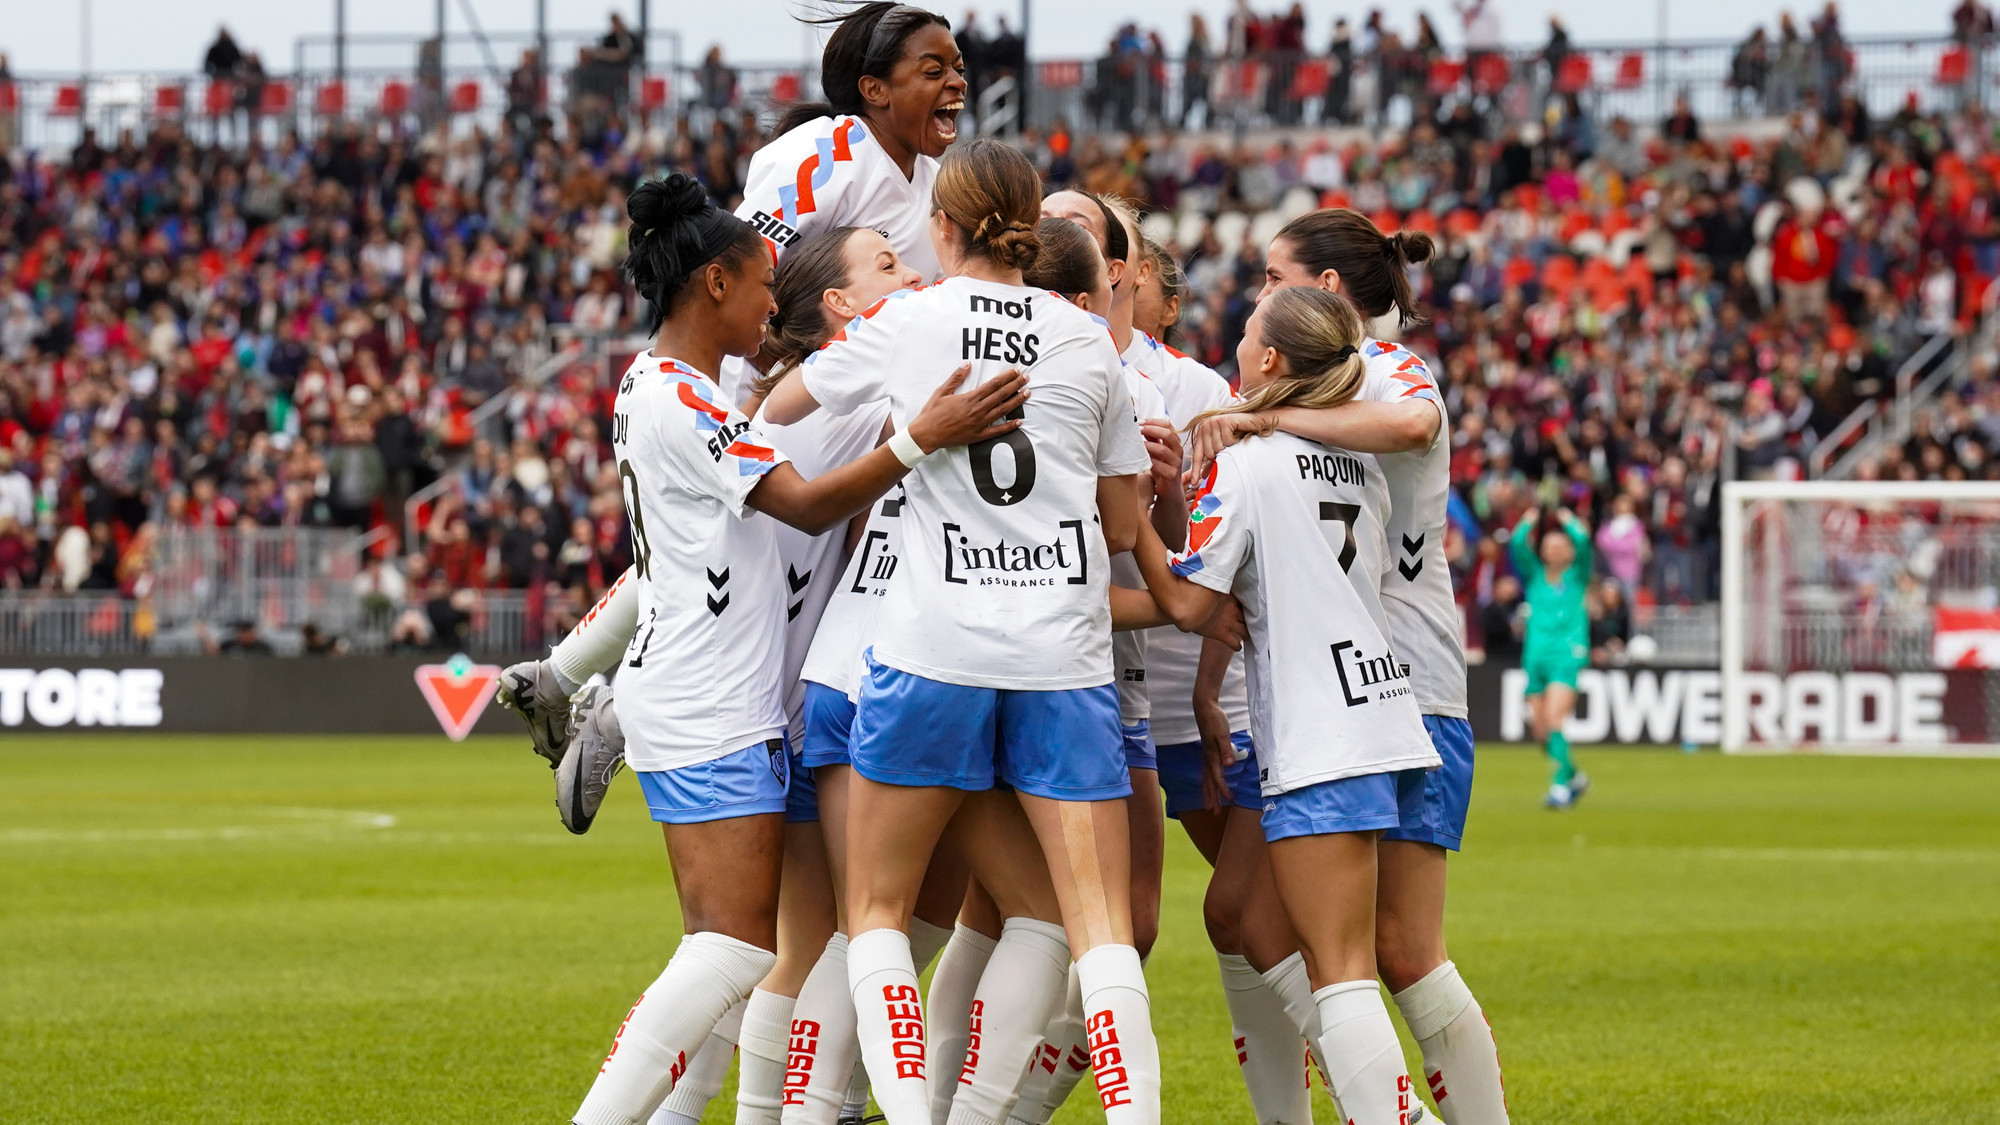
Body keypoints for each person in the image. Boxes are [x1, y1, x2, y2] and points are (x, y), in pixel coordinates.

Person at [564, 172, 1021, 1125]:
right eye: (764, 280)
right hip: (708, 695)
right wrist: (923, 438)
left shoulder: (665, 386)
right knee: (734, 951)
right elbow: (804, 503)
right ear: (716, 283)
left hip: (715, 689)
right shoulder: (691, 403)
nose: (774, 302)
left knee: (727, 952)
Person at [760, 137, 1160, 1125]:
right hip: (1062, 657)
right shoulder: (1082, 340)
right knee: (1094, 929)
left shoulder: (906, 321)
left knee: (877, 918)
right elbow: (1119, 527)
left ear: (940, 225)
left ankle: (899, 1113)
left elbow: (778, 406)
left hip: (930, 648)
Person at [498, 0, 969, 767]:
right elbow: (739, 267)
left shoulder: (931, 180)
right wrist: (739, 400)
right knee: (759, 556)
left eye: (957, 67)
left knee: (795, 570)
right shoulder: (830, 153)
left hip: (843, 394)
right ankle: (608, 699)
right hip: (787, 386)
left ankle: (576, 685)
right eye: (934, 68)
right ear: (874, 88)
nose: (956, 81)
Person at [1193, 208, 1510, 1125]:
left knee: (1397, 951)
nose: (1258, 296)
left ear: (1324, 291)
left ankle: (1399, 1108)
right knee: (1247, 915)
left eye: (1270, 276)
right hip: (1339, 687)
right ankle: (1379, 1103)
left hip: (1399, 685)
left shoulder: (1382, 363)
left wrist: (1266, 416)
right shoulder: (1327, 384)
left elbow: (1415, 422)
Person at [1131, 286, 1441, 1125]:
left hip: (1322, 730)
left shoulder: (1250, 461)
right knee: (1269, 930)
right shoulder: (1354, 459)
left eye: (1245, 334)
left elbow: (1191, 603)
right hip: (1377, 711)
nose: (1234, 342)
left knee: (1338, 969)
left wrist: (1131, 527)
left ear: (1270, 361)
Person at [1512, 506, 1593, 809]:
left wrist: (1566, 519)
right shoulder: (1535, 576)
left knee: (1554, 718)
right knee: (1540, 731)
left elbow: (1584, 543)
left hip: (1566, 656)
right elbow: (1518, 544)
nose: (1556, 551)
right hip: (1536, 658)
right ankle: (1573, 774)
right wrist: (1529, 519)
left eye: (1561, 547)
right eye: (1550, 546)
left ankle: (1560, 785)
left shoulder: (1577, 576)